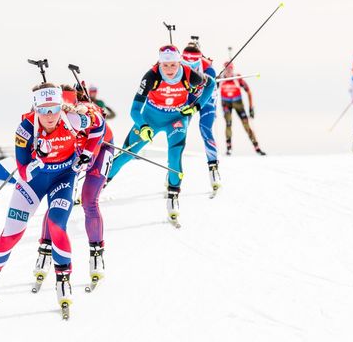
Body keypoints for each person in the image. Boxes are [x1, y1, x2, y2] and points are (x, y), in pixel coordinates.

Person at [0, 83, 105, 316]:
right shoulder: (26, 128)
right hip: (32, 183)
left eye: (53, 109)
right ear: (35, 108)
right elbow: (21, 171)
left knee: (56, 225)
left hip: (63, 178)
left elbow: (99, 127)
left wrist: (88, 154)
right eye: (43, 110)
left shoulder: (73, 119)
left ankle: (63, 281)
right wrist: (38, 159)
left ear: (61, 106)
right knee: (12, 234)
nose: (49, 116)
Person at [106, 44, 215, 225]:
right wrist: (143, 126)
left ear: (179, 62)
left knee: (174, 156)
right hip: (151, 118)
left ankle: (173, 196)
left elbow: (211, 84)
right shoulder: (151, 76)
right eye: (166, 65)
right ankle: (98, 186)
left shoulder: (189, 74)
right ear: (160, 64)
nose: (170, 69)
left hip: (177, 120)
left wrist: (196, 106)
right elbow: (134, 110)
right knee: (126, 154)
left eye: (173, 65)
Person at [31, 84, 114, 293]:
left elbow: (99, 131)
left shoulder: (86, 113)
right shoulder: (49, 116)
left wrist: (86, 155)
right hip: (77, 154)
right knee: (58, 198)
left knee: (89, 200)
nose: (56, 116)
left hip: (101, 148)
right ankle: (45, 249)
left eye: (67, 109)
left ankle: (96, 255)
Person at [181, 41, 222, 194]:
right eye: (185, 62)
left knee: (205, 128)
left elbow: (208, 93)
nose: (189, 66)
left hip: (207, 99)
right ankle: (172, 169)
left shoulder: (208, 69)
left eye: (193, 64)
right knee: (180, 130)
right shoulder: (177, 64)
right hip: (189, 98)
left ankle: (213, 167)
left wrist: (196, 107)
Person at [220, 61, 265, 156]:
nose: (228, 72)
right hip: (226, 103)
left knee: (246, 125)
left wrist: (251, 107)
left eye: (230, 69)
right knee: (228, 123)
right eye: (226, 70)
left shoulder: (237, 78)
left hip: (238, 103)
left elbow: (248, 91)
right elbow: (212, 91)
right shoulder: (220, 79)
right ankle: (229, 148)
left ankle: (256, 147)